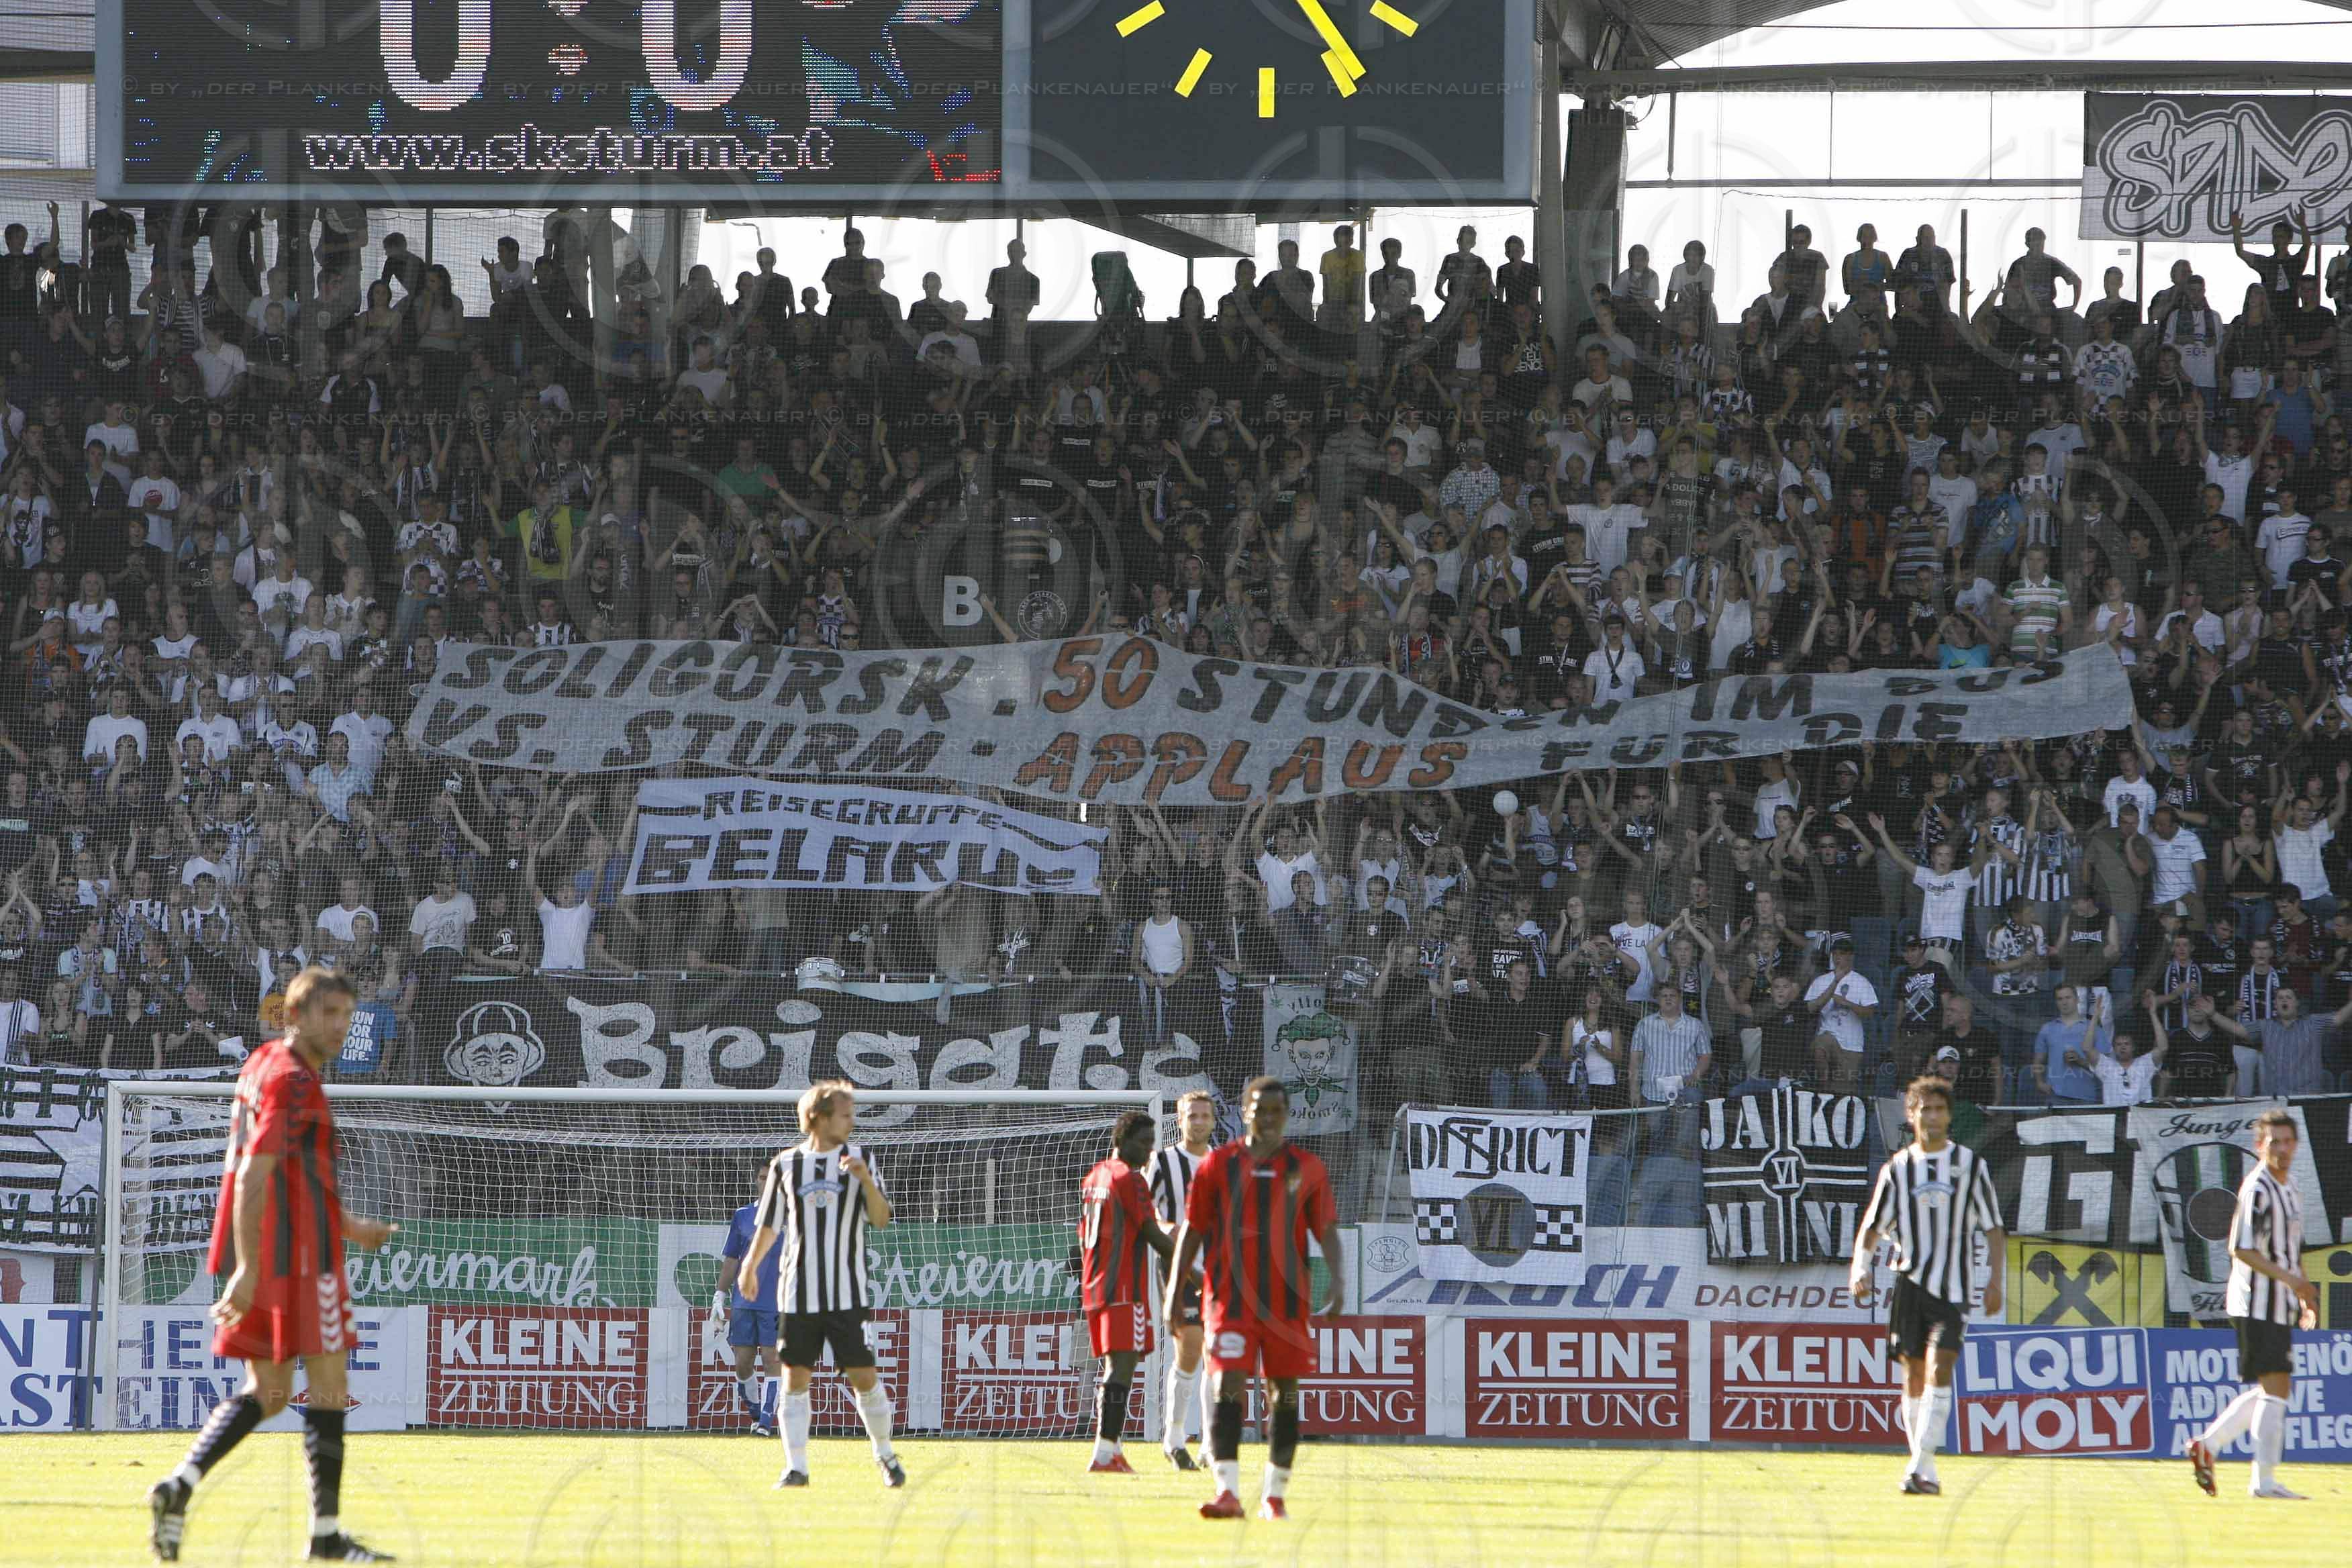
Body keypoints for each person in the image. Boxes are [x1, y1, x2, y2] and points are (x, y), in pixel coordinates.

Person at [148, 967, 400, 1564]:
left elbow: (295, 1175)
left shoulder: (264, 1063)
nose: (341, 1026)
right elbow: (252, 1175)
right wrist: (249, 1271)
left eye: (347, 1015)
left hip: (270, 1247)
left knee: (269, 1391)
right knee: (330, 1389)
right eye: (329, 1013)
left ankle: (179, 1485)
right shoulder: (293, 1081)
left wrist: (349, 1226)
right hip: (296, 1255)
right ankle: (326, 1537)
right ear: (294, 1016)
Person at [1165, 1076, 1343, 1522]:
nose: (1268, 1117)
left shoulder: (1306, 1167)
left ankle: (1274, 1496)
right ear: (1245, 1112)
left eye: (1276, 1110)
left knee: (1283, 1394)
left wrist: (1338, 1278)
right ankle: (1227, 1491)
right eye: (1260, 1109)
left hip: (1286, 1302)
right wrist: (1172, 1292)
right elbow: (1192, 1230)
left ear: (1286, 1115)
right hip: (1229, 1300)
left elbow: (1325, 1229)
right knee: (1226, 1386)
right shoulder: (1218, 1164)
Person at [738, 1081, 904, 1490]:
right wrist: (749, 1267)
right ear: (820, 1118)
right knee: (795, 1379)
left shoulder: (862, 1158)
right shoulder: (786, 1164)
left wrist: (865, 1180)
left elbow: (881, 1219)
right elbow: (769, 1225)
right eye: (845, 1115)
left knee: (864, 1377)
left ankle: (885, 1455)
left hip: (848, 1293)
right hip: (798, 1293)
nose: (852, 1122)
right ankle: (796, 1467)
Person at [1850, 1075, 2007, 1498]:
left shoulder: (1971, 1166)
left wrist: (1996, 1280)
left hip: (1954, 1288)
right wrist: (1860, 1267)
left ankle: (1918, 1465)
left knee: (1941, 1368)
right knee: (1914, 1375)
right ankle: (1925, 1468)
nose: (1932, 1117)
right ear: (1911, 1115)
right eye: (1925, 1110)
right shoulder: (1897, 1169)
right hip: (1910, 1284)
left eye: (1939, 1110)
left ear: (1949, 1116)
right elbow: (1872, 1227)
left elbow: (1994, 1228)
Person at [2186, 1108, 2318, 1501]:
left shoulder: (2291, 1187)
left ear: (2296, 1145)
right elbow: (2240, 1248)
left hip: (2277, 1301)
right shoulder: (2257, 1188)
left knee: (2273, 1389)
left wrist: (2302, 1291)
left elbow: (2290, 1248)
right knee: (2276, 1388)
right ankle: (2262, 1482)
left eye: (2288, 1141)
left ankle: (2208, 1445)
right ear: (2259, 1145)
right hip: (2254, 1301)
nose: (2282, 1149)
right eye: (2274, 1142)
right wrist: (2291, 1281)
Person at [1079, 1109, 1175, 1474]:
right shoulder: (1129, 1179)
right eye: (1144, 1142)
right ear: (1123, 1140)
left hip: (1096, 1285)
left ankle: (1112, 1449)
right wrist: (1197, 1275)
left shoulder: (1096, 1176)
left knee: (1114, 1367)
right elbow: (1153, 1235)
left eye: (1153, 1143)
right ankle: (1104, 1453)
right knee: (1122, 1368)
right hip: (1123, 1287)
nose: (1150, 1151)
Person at [1150, 1089, 1218, 1470]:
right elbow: (1144, 1210)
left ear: (1213, 1121)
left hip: (1219, 1269)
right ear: (1179, 1120)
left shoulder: (1224, 1164)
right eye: (1192, 1116)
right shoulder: (1162, 1162)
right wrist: (1166, 1228)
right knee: (1190, 1347)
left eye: (1205, 1116)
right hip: (1179, 1267)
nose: (1199, 1122)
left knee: (1217, 1354)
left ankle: (1210, 1443)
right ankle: (1175, 1438)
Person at [714, 1189, 783, 1440]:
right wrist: (719, 1296)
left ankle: (765, 1420)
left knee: (771, 1359)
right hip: (743, 1303)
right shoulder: (743, 1216)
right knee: (743, 1364)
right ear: (757, 1180)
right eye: (763, 1177)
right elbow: (732, 1259)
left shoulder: (793, 1216)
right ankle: (756, 1414)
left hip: (776, 1303)